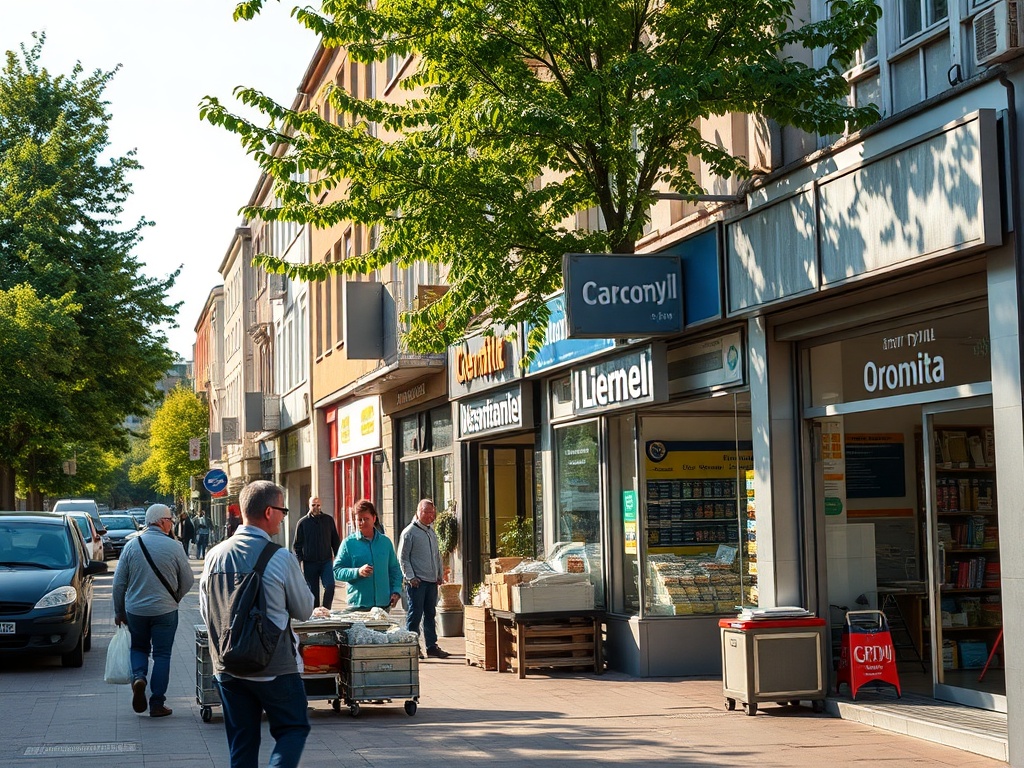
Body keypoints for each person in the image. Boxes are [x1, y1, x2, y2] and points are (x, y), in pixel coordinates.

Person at [199, 480, 314, 768]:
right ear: (268, 512)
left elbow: (206, 610)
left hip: (228, 667)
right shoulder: (280, 557)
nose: (284, 515)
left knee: (242, 743)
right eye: (282, 509)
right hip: (274, 667)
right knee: (293, 728)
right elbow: (304, 610)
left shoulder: (214, 555)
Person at [112, 503, 194, 718]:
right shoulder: (174, 546)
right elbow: (188, 580)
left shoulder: (131, 546)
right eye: (170, 520)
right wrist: (174, 598)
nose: (171, 524)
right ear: (161, 521)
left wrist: (119, 611)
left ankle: (139, 677)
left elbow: (119, 583)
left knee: (138, 648)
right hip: (165, 610)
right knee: (162, 654)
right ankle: (157, 703)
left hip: (136, 610)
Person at [397, 499, 450, 659]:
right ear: (418, 511)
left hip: (432, 582)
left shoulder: (431, 531)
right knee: (415, 615)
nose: (429, 515)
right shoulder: (409, 533)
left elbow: (437, 555)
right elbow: (403, 558)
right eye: (425, 512)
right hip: (417, 582)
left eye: (431, 512)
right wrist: (411, 577)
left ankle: (431, 646)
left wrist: (439, 574)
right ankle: (413, 647)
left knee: (430, 614)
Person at [333, 499, 402, 612]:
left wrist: (396, 591)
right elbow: (337, 571)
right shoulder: (348, 543)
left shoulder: (385, 542)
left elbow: (394, 569)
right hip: (358, 606)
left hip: (383, 606)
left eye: (366, 519)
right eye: (359, 519)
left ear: (374, 518)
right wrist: (358, 572)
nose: (362, 522)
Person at [292, 496, 341, 609]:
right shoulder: (303, 523)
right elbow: (297, 546)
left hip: (326, 561)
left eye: (318, 505)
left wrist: (338, 557)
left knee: (330, 586)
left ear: (321, 505)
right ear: (309, 505)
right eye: (313, 505)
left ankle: (325, 609)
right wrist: (299, 562)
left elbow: (335, 541)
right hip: (310, 563)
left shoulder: (328, 520)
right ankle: (315, 615)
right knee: (313, 593)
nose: (316, 507)